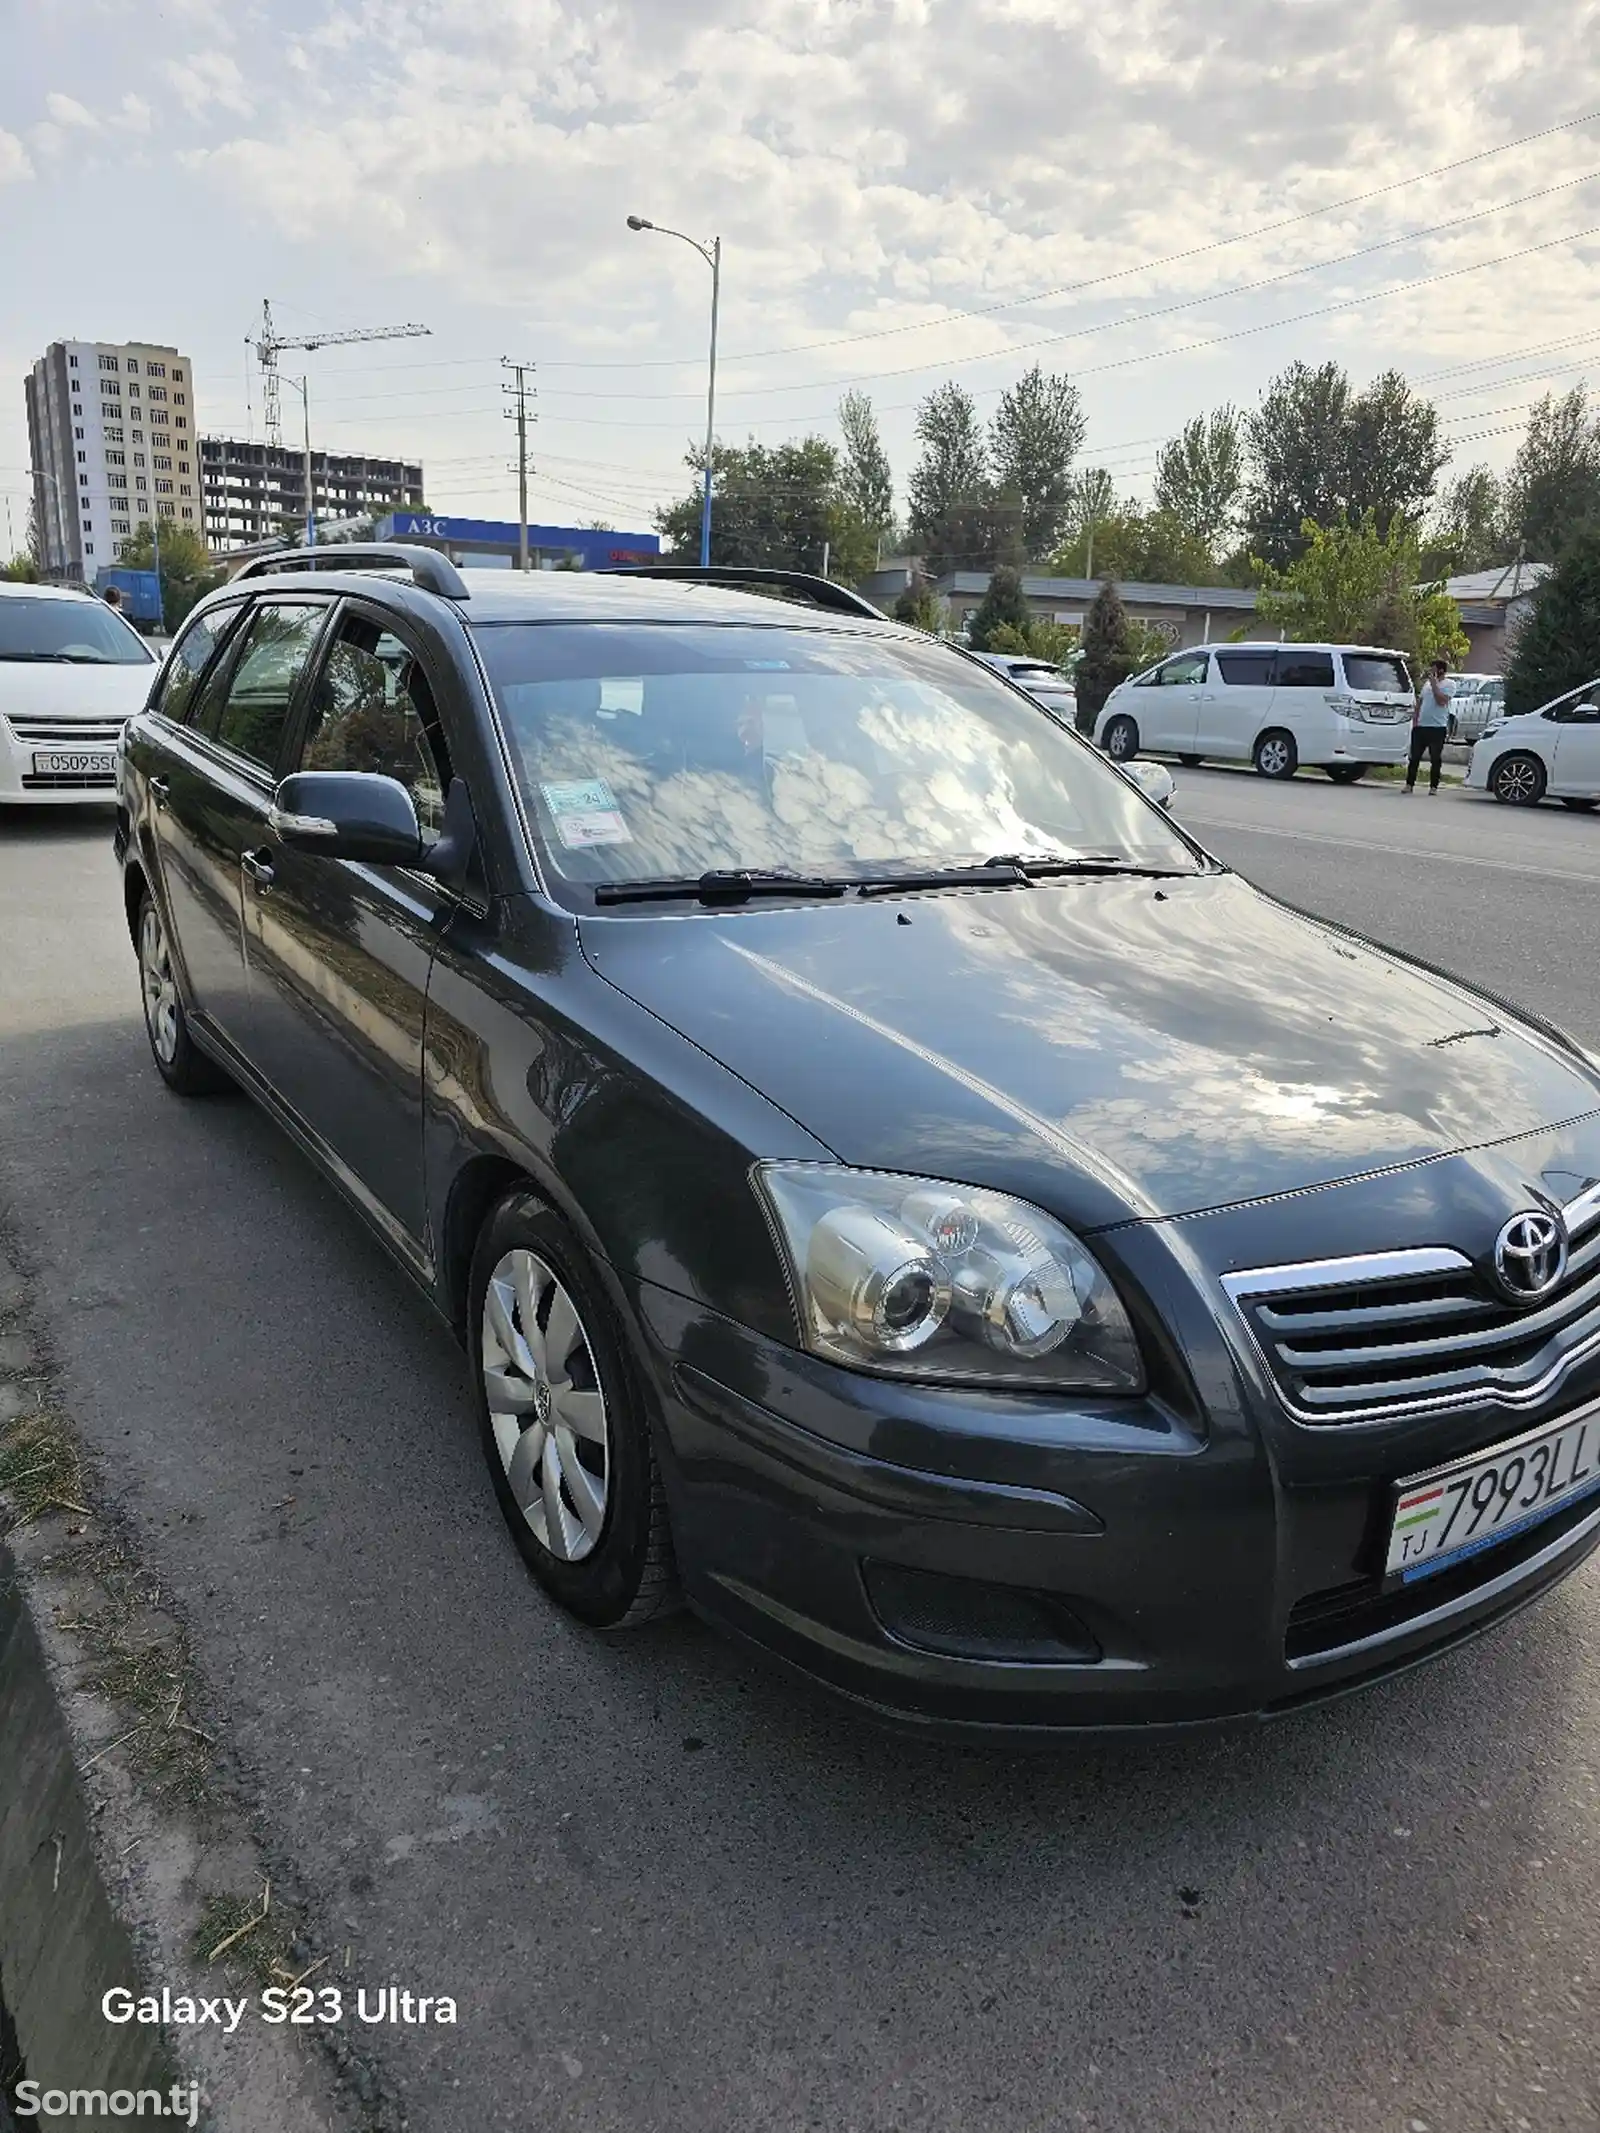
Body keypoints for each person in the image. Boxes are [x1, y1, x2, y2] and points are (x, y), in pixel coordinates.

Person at [1406, 658, 1451, 794]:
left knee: (1435, 758)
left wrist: (1434, 684)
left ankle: (1433, 787)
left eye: (1433, 669)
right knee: (1414, 757)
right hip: (1421, 726)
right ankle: (1409, 784)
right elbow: (1420, 701)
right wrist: (1415, 720)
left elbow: (1441, 701)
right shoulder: (1426, 685)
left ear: (1441, 670)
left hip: (1437, 727)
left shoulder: (1449, 684)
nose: (1431, 672)